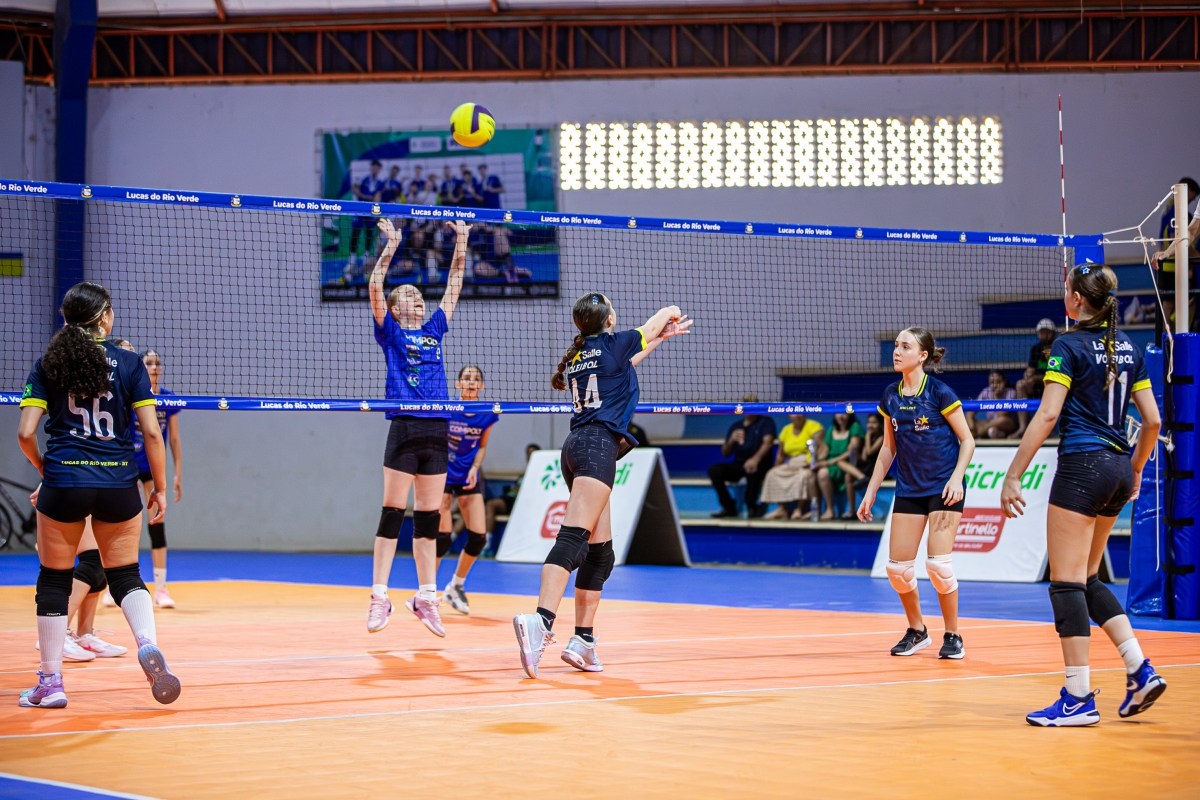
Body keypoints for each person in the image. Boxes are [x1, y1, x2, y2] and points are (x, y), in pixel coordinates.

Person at [1000, 264, 1166, 727]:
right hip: (1118, 468)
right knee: (1088, 578)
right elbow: (1152, 421)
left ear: (1075, 299)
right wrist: (1135, 469)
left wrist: (1013, 474)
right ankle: (1139, 669)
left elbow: (1048, 414)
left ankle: (1077, 698)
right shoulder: (1129, 346)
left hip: (1081, 467)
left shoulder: (1067, 346)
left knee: (1066, 583)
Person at [17, 282, 180, 708]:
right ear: (105, 316)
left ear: (66, 318)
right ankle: (147, 642)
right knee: (125, 574)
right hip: (118, 483)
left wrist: (45, 469)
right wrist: (160, 488)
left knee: (54, 579)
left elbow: (26, 433)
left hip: (64, 481)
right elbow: (151, 433)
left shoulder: (49, 364)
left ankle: (50, 683)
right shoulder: (130, 363)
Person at [512, 292, 691, 678]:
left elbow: (624, 365)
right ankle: (540, 621)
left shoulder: (581, 354)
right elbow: (659, 318)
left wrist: (658, 339)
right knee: (572, 539)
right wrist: (670, 313)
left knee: (600, 552)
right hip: (596, 448)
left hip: (577, 447)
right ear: (609, 318)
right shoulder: (616, 342)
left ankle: (583, 641)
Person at [365, 216, 470, 639]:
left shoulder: (434, 329)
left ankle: (426, 597)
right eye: (409, 296)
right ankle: (379, 596)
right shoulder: (389, 332)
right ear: (394, 309)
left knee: (429, 518)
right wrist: (391, 246)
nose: (419, 300)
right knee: (393, 514)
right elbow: (375, 287)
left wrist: (462, 241)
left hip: (436, 431)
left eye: (420, 295)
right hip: (405, 428)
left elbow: (455, 283)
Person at [857, 328, 975, 660]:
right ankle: (917, 630)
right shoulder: (890, 395)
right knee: (898, 569)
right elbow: (887, 449)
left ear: (922, 356)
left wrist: (957, 478)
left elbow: (967, 440)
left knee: (938, 566)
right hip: (909, 488)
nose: (897, 351)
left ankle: (953, 635)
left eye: (905, 346)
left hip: (944, 488)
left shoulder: (939, 392)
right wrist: (871, 491)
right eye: (896, 345)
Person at [438, 365, 499, 616]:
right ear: (458, 384)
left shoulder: (488, 414)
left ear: (481, 386)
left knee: (478, 538)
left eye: (476, 379)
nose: (471, 382)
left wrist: (475, 467)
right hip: (443, 474)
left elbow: (482, 446)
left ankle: (455, 586)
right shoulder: (447, 409)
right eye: (466, 378)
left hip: (467, 475)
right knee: (441, 538)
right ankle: (426, 592)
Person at [708, 396, 776, 518]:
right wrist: (731, 441)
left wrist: (755, 459)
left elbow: (768, 443)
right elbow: (725, 453)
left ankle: (751, 506)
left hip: (761, 463)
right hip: (739, 464)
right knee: (714, 470)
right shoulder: (736, 426)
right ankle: (729, 506)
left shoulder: (766, 422)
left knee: (752, 469)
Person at [1151, 177, 1200, 334]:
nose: (1193, 199)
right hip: (1172, 267)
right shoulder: (1175, 209)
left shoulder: (1172, 207)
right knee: (1170, 306)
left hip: (1177, 267)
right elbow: (1190, 232)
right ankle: (1168, 341)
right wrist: (1167, 252)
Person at [761, 413, 824, 520]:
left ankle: (799, 509)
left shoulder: (814, 426)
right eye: (794, 413)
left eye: (800, 412)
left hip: (807, 462)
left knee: (804, 475)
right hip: (791, 463)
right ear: (789, 416)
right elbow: (781, 455)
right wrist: (776, 468)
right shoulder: (786, 430)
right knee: (772, 473)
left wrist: (812, 463)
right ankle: (781, 509)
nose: (797, 415)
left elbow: (818, 448)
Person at [1013, 319, 1058, 438]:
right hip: (1036, 386)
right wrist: (1028, 375)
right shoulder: (1036, 349)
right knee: (1020, 385)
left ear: (1053, 333)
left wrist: (1035, 378)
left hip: (1052, 385)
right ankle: (1022, 428)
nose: (1044, 334)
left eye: (1047, 332)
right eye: (1041, 332)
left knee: (1052, 384)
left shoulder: (1057, 347)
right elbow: (1031, 368)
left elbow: (1055, 373)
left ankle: (1049, 430)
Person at [817, 412, 865, 520]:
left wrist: (830, 462)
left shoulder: (855, 427)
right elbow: (825, 451)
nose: (841, 416)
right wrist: (816, 456)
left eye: (844, 413)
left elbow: (852, 452)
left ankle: (851, 510)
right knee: (820, 472)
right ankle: (828, 510)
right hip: (832, 465)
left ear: (850, 414)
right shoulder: (831, 429)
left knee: (836, 472)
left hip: (850, 464)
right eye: (838, 413)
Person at [486, 442, 540, 533]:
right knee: (481, 507)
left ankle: (487, 539)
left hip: (517, 501)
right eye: (528, 454)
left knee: (491, 504)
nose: (529, 456)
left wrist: (519, 490)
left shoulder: (540, 475)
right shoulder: (523, 475)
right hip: (508, 497)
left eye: (532, 454)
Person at [347, 160, 386, 280]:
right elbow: (354, 189)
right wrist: (364, 197)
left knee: (369, 233)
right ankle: (352, 260)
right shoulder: (363, 178)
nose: (375, 169)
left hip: (371, 210)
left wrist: (373, 202)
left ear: (379, 169)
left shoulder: (380, 182)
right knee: (355, 233)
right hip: (360, 208)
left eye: (377, 168)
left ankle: (365, 258)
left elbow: (377, 197)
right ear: (371, 167)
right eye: (374, 167)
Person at [969, 370, 1017, 440]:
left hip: (1007, 424)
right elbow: (970, 413)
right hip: (989, 423)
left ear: (1004, 381)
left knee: (1001, 420)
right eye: (992, 382)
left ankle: (978, 433)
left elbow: (1002, 415)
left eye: (998, 382)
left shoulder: (1011, 393)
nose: (995, 385)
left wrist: (996, 397)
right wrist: (972, 427)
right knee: (966, 419)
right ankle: (987, 433)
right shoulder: (986, 391)